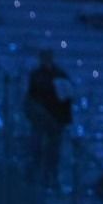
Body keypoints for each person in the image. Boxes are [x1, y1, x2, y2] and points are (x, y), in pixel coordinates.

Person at [24, 51, 71, 186]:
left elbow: (66, 98)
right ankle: (36, 176)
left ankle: (51, 177)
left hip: (55, 121)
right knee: (36, 149)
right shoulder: (36, 75)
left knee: (53, 152)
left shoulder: (60, 75)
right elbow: (31, 98)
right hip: (40, 120)